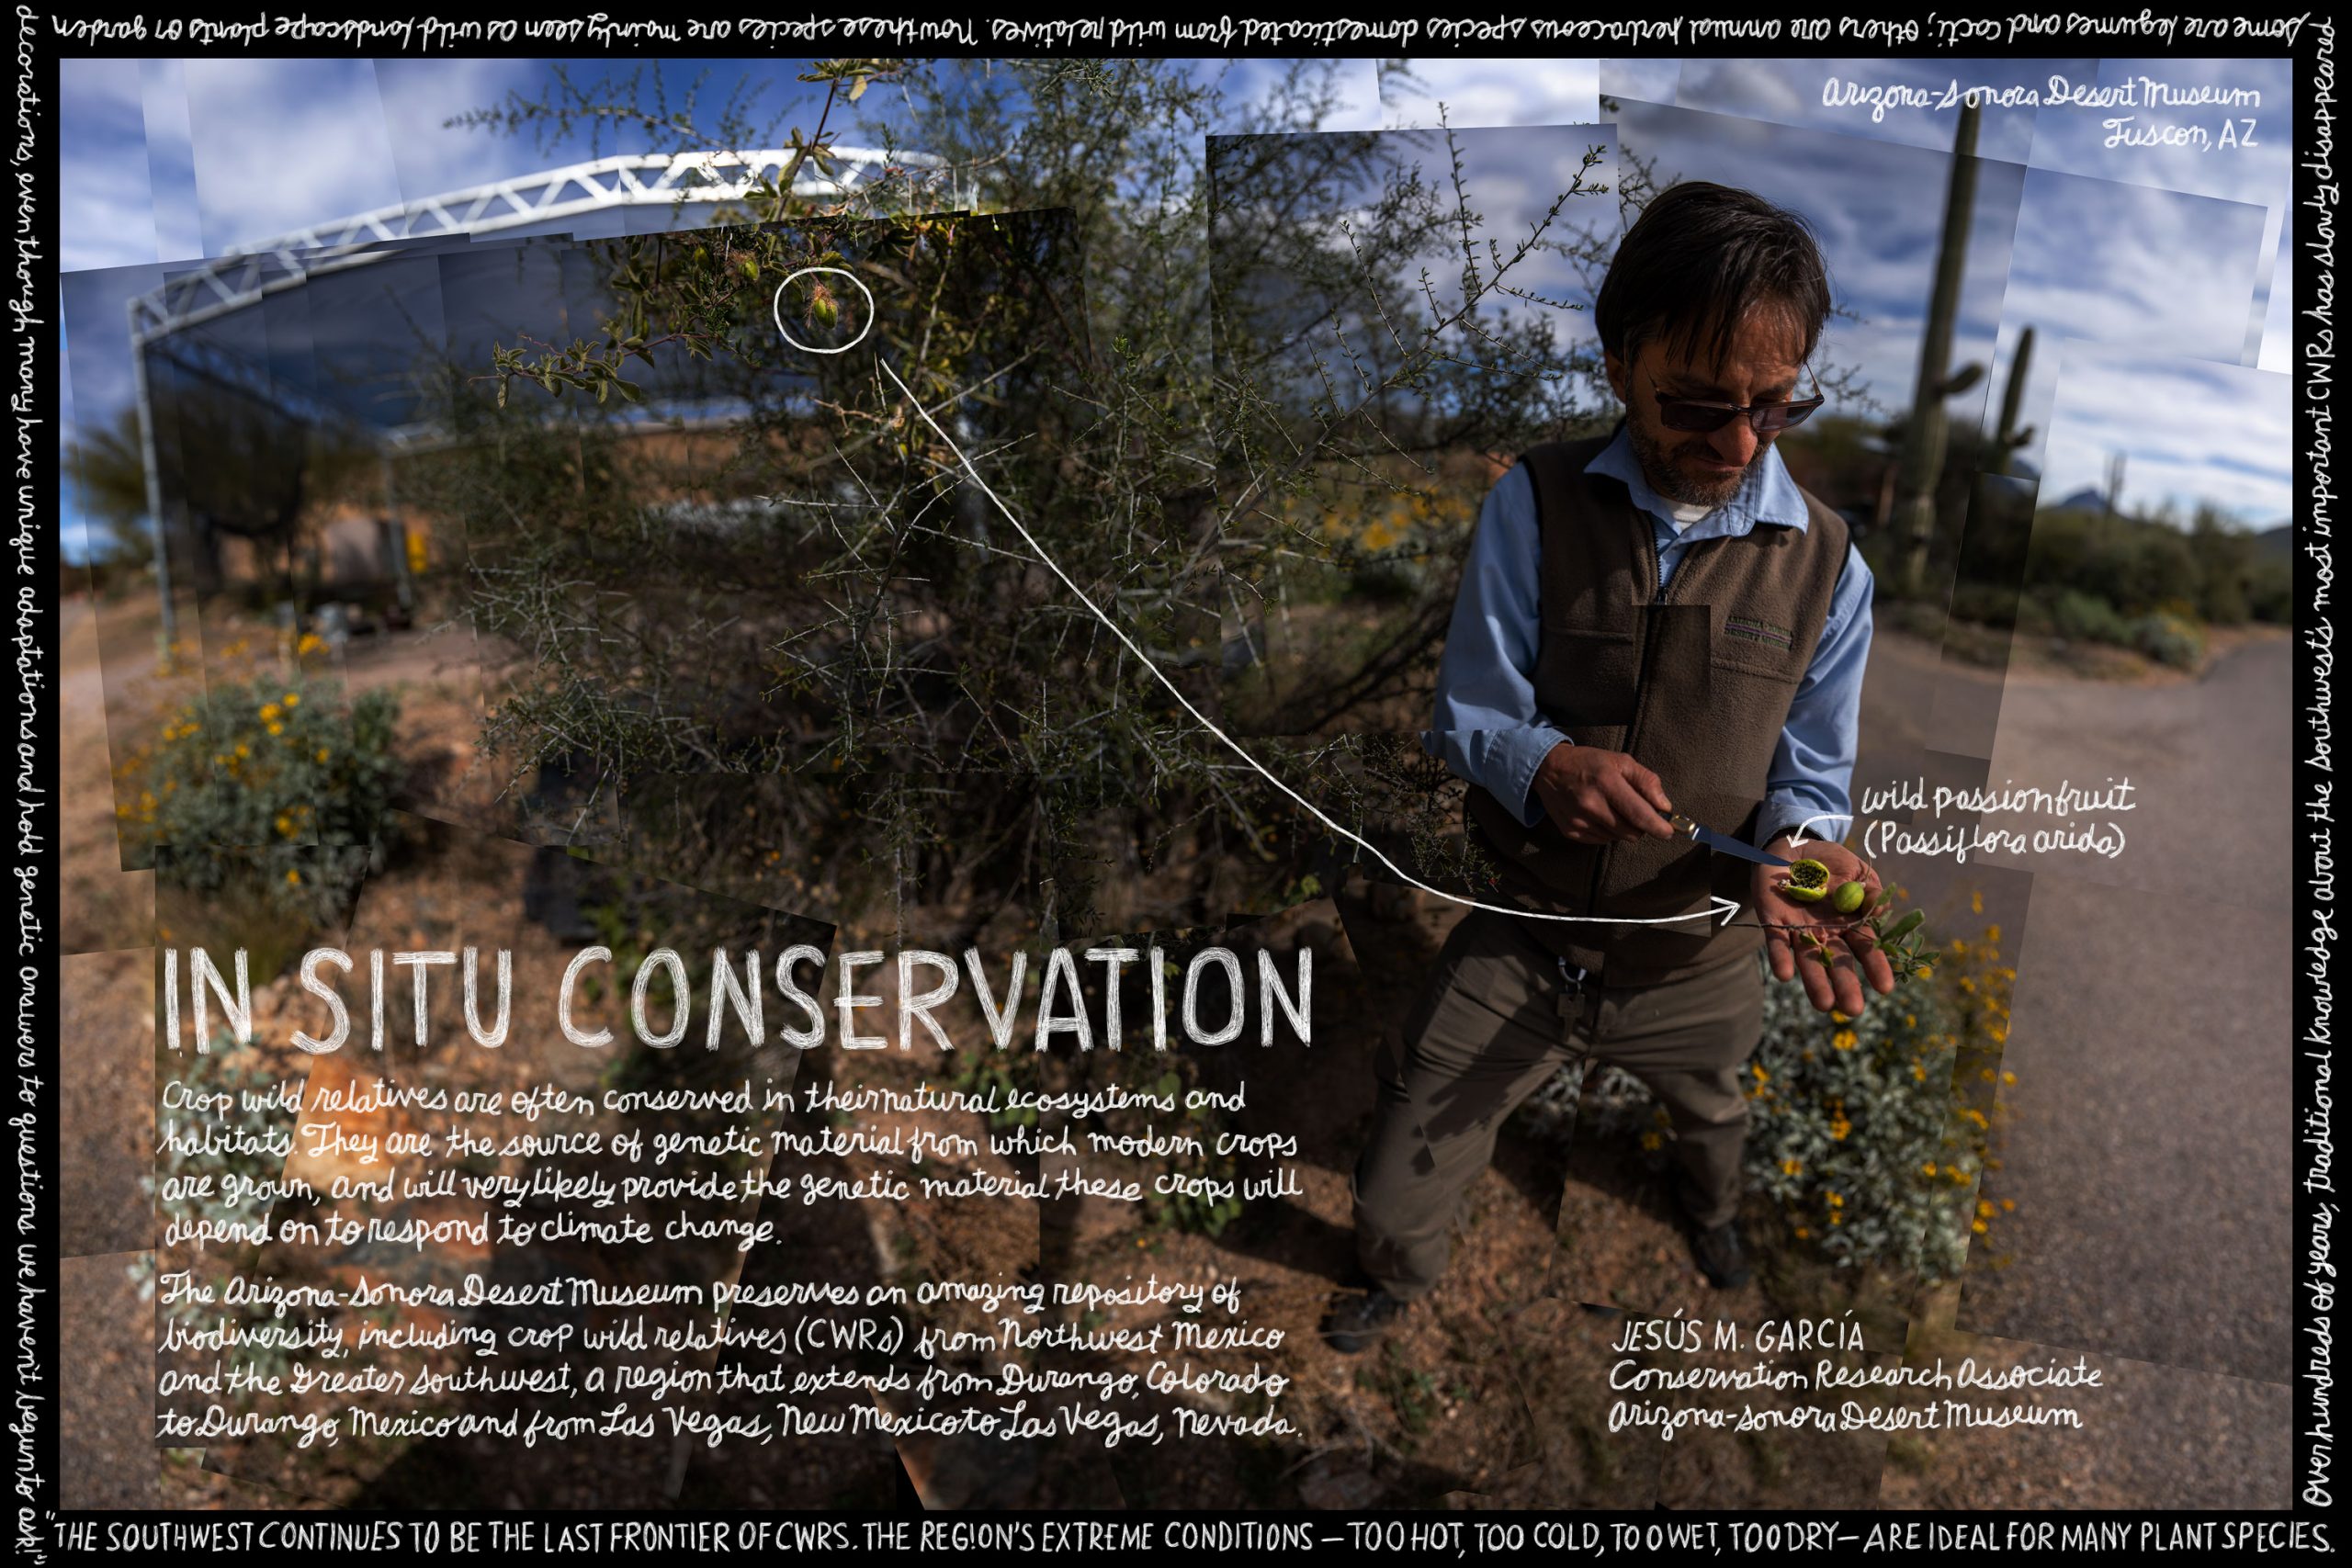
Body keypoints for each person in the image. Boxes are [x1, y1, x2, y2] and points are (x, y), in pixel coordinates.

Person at [1325, 182, 1894, 1353]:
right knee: (1393, 1175)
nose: (1735, 445)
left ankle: (1711, 1213)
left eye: (1774, 408)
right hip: (1520, 934)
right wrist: (1539, 767)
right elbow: (1466, 712)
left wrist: (1797, 850)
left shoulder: (1831, 566)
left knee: (1714, 1117)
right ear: (1619, 361)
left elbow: (1813, 775)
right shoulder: (1531, 505)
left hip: (1703, 955)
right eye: (1694, 403)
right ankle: (1397, 1275)